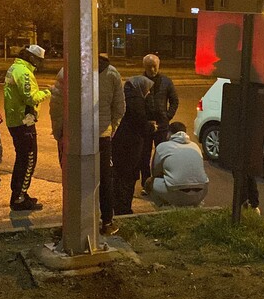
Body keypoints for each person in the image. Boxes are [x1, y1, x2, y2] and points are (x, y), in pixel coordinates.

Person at [50, 55, 125, 235]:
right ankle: (107, 222)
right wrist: (110, 130)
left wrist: (59, 133)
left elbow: (57, 106)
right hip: (101, 136)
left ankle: (72, 223)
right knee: (104, 178)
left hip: (74, 136)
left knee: (73, 180)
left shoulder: (66, 72)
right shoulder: (113, 74)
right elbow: (120, 107)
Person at [4, 45, 50, 211]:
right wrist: (48, 92)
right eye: (38, 60)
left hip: (16, 120)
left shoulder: (15, 68)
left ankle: (19, 193)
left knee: (22, 160)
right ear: (31, 57)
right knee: (28, 160)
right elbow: (31, 98)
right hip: (24, 122)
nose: (40, 64)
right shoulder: (23, 73)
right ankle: (19, 198)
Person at [111, 76, 154, 215]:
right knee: (128, 178)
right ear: (140, 88)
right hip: (130, 146)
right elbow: (139, 122)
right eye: (147, 90)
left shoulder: (125, 96)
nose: (148, 93)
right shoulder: (136, 101)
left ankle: (118, 206)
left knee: (119, 177)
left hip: (120, 143)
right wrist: (151, 127)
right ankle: (123, 209)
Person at [144, 122, 209, 207]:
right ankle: (196, 206)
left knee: (149, 182)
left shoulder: (162, 147)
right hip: (202, 191)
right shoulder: (195, 146)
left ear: (169, 133)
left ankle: (163, 208)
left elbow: (155, 172)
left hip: (176, 192)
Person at [139, 54, 179, 190]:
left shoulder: (166, 82)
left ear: (159, 65)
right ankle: (146, 184)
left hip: (162, 125)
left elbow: (174, 100)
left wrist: (167, 116)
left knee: (162, 156)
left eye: (154, 66)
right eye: (149, 67)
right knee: (144, 156)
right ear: (144, 67)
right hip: (145, 126)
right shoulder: (140, 82)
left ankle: (160, 183)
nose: (152, 69)